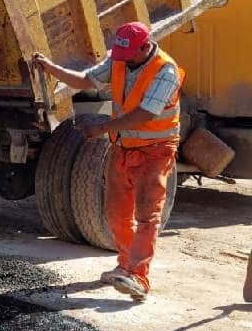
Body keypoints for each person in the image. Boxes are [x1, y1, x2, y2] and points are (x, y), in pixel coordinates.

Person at [32, 21, 184, 302]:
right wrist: (51, 68)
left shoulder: (165, 70)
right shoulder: (120, 59)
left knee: (147, 216)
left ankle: (139, 277)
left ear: (145, 47)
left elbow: (145, 114)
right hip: (123, 148)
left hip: (155, 152)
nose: (122, 61)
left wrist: (102, 128)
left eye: (128, 55)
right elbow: (84, 80)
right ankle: (125, 266)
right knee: (116, 213)